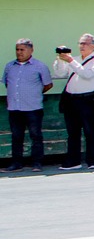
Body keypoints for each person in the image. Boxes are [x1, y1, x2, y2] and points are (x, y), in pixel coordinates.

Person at [58, 34, 94, 168]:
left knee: (89, 130)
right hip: (71, 98)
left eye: (85, 43)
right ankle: (73, 161)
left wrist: (71, 61)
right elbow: (61, 73)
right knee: (72, 132)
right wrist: (61, 59)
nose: (82, 46)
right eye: (80, 43)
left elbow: (87, 74)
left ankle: (92, 160)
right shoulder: (75, 59)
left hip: (87, 98)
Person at [5, 39, 51, 171]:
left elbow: (48, 84)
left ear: (31, 50)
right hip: (14, 107)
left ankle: (37, 163)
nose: (19, 52)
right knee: (16, 136)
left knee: (35, 135)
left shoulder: (39, 66)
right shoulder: (9, 66)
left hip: (33, 108)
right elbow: (8, 83)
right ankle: (16, 163)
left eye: (22, 49)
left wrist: (34, 93)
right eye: (17, 49)